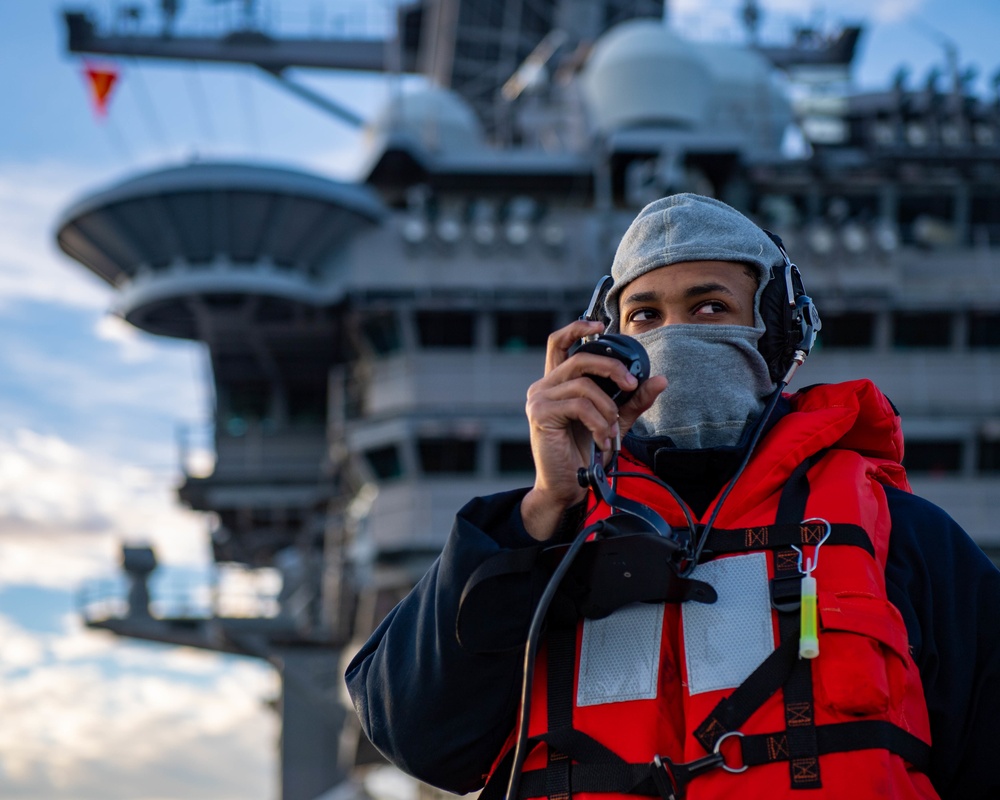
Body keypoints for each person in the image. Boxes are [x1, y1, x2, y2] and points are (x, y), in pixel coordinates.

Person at [345, 194, 1000, 799]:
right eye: (646, 316)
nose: (676, 334)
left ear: (776, 336)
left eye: (710, 307)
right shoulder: (541, 547)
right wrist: (545, 506)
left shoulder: (904, 539)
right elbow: (413, 732)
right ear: (614, 348)